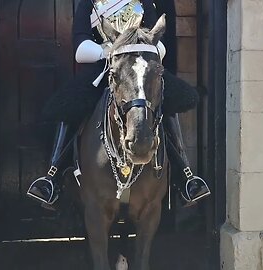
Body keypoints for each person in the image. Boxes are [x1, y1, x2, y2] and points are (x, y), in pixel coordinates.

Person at [26, 0, 210, 207]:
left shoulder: (144, 2)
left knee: (165, 98)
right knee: (67, 105)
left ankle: (185, 175)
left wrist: (140, 49)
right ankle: (53, 177)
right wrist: (109, 52)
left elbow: (158, 45)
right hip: (105, 67)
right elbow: (80, 46)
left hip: (140, 68)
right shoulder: (90, 3)